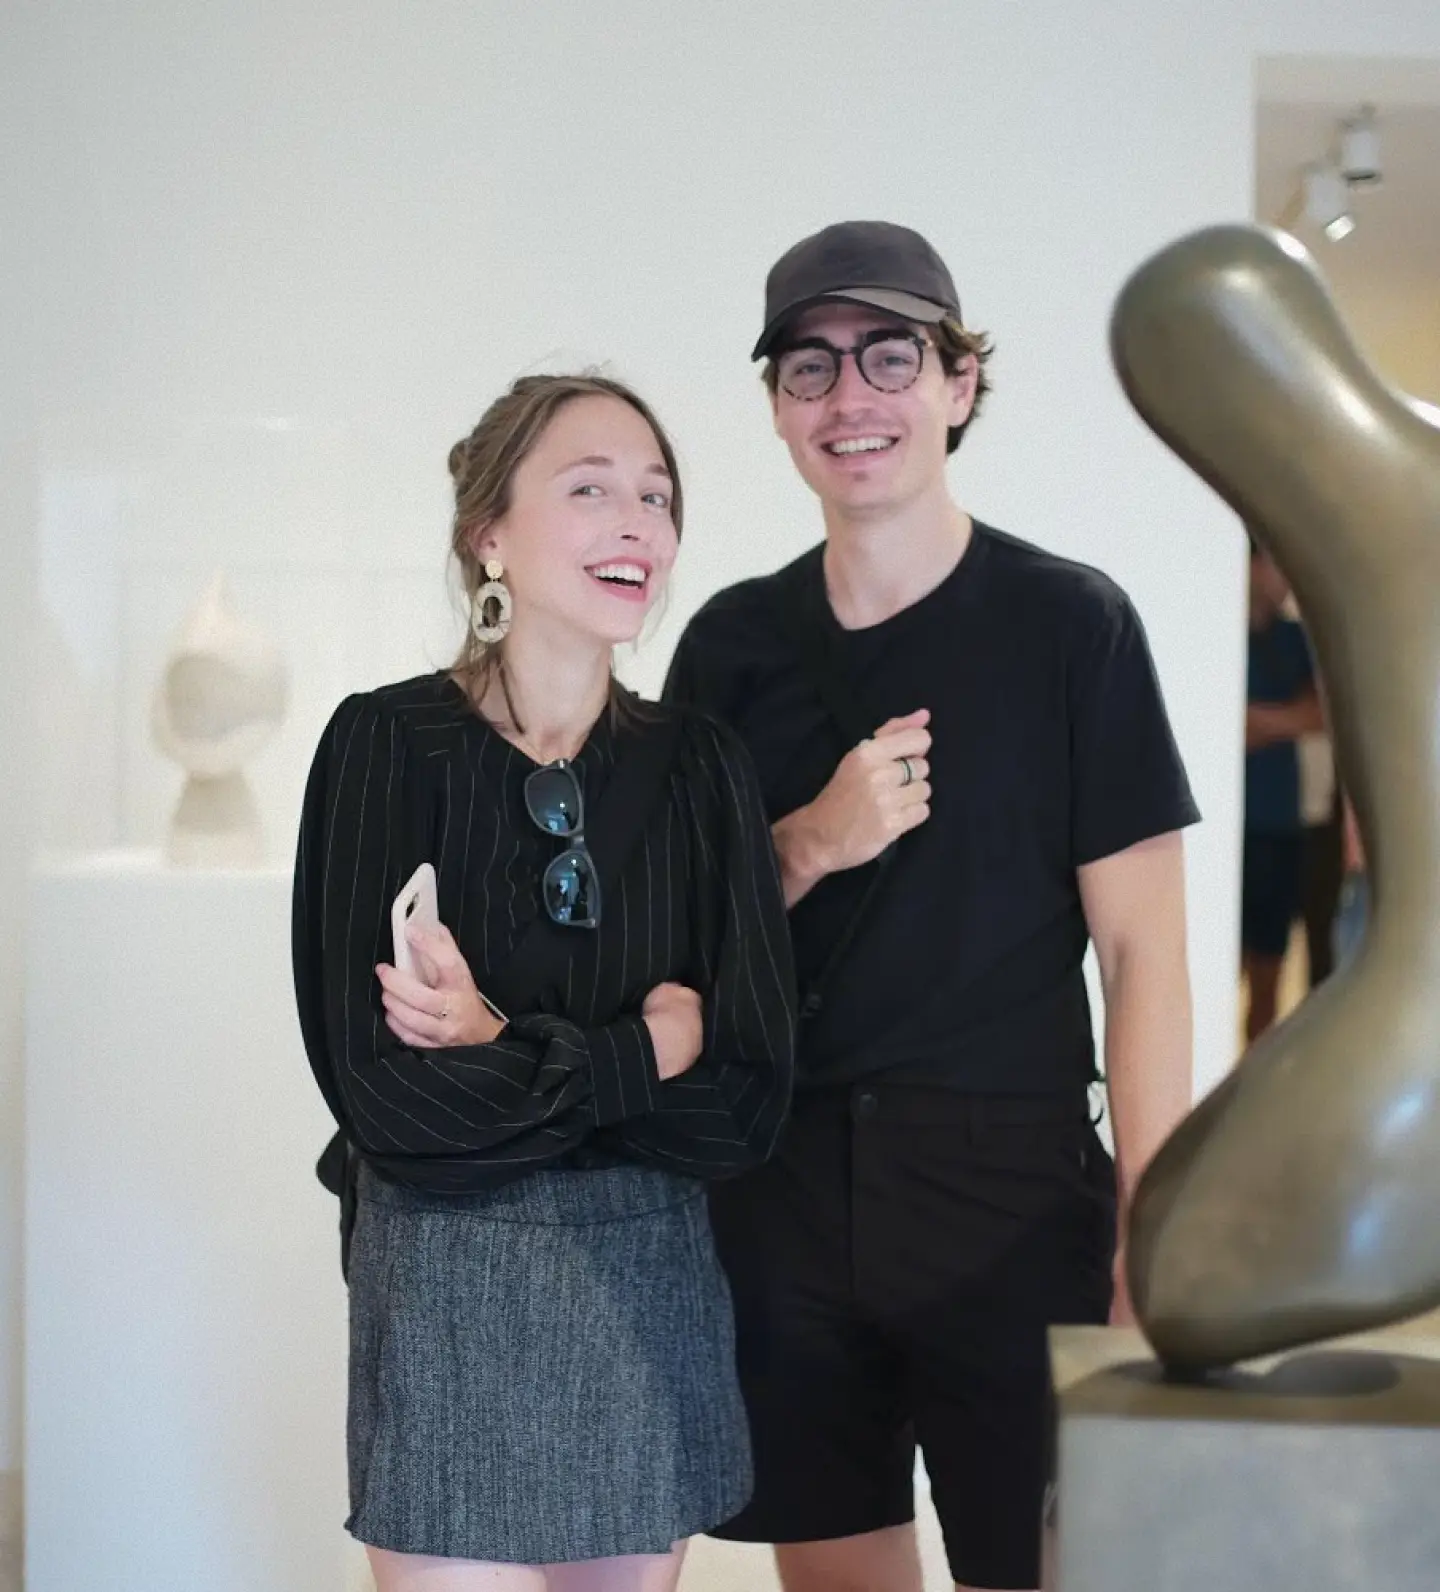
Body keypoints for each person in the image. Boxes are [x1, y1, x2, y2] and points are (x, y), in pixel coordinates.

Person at [661, 220, 1199, 1592]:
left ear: (960, 383)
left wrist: (1155, 1231)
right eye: (810, 365)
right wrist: (810, 838)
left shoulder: (1072, 626)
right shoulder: (728, 646)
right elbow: (677, 946)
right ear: (778, 408)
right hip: (781, 1187)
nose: (851, 396)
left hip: (1008, 1193)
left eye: (890, 356)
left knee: (1042, 1569)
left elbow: (1144, 954)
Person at [292, 372, 796, 1592]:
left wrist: (496, 1044)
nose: (638, 523)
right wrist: (645, 1048)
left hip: (647, 1284)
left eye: (657, 497)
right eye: (590, 489)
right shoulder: (385, 743)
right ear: (490, 534)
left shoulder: (701, 764)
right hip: (448, 1286)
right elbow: (389, 1105)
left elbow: (746, 1098)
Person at [1242, 539, 1324, 1040]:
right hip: (1232, 827)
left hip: (1280, 827)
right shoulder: (1219, 629)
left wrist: (1258, 723)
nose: (1287, 578)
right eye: (1277, 565)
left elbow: (1323, 715)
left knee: (1269, 973)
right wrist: (1290, 718)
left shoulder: (1295, 639)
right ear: (1252, 565)